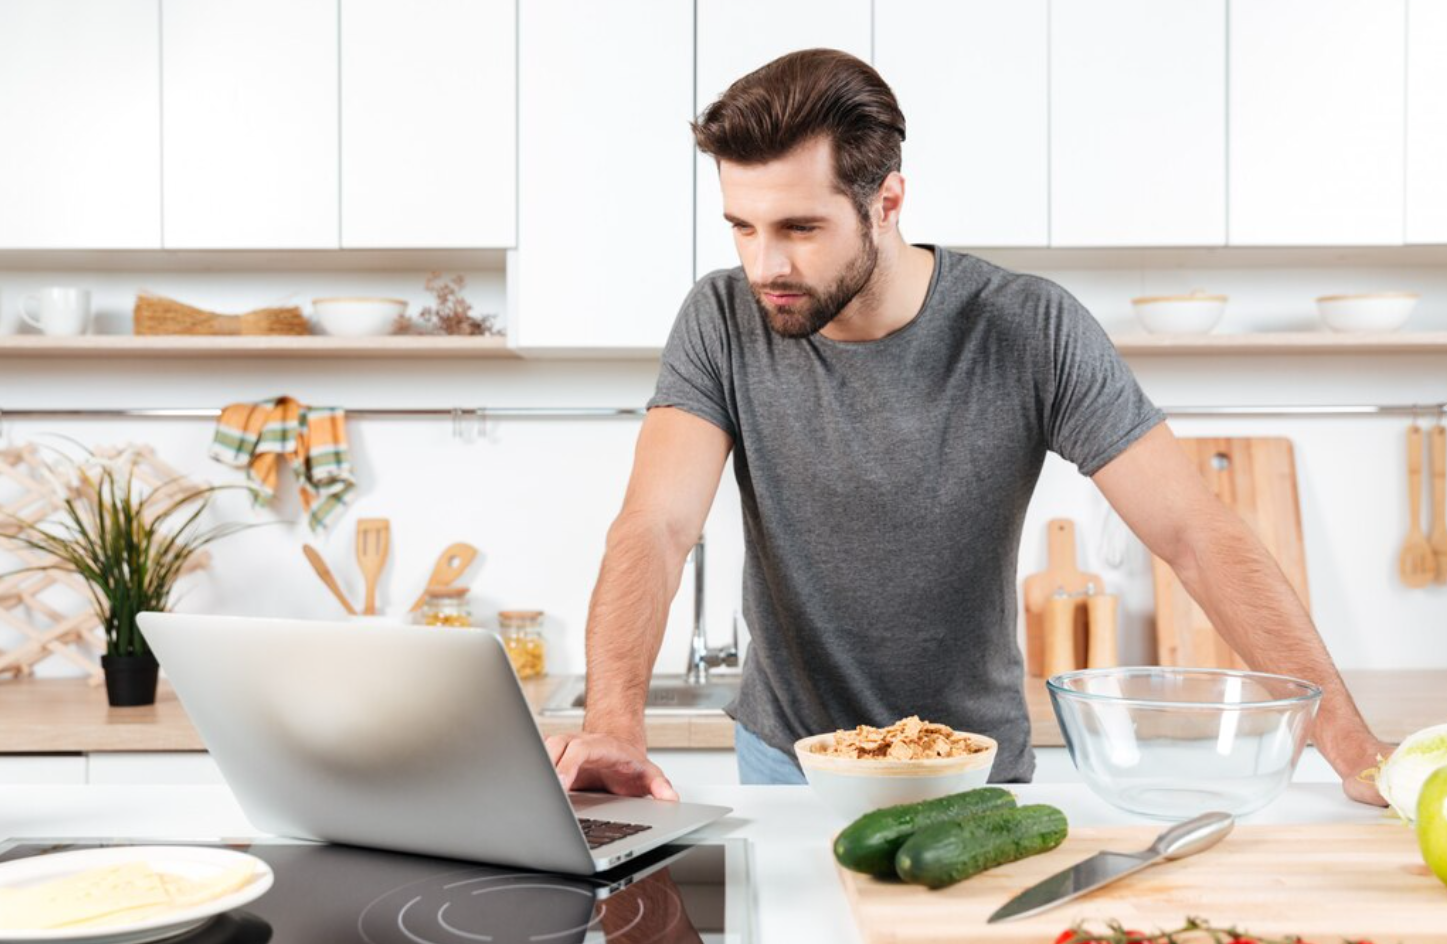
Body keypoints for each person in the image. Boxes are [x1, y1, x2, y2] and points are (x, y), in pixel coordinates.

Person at [543, 48, 1390, 806]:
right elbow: (656, 526)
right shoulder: (722, 316)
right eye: (743, 226)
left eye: (801, 228)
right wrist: (613, 721)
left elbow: (1194, 532)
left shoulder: (1027, 326)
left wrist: (1348, 744)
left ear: (887, 202)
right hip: (786, 762)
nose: (766, 265)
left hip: (972, 767)